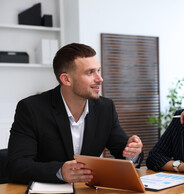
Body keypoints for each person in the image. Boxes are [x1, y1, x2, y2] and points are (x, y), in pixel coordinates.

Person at [7, 43, 144, 184]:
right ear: (66, 79)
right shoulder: (31, 109)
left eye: (98, 71)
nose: (99, 79)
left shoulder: (105, 108)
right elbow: (17, 166)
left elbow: (122, 151)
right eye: (90, 73)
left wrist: (132, 152)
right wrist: (60, 171)